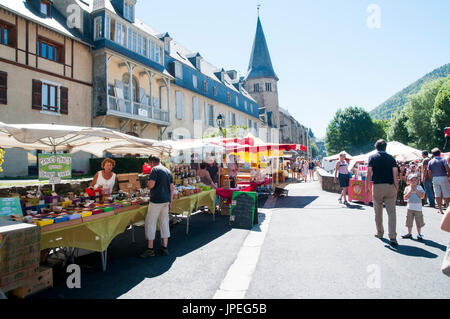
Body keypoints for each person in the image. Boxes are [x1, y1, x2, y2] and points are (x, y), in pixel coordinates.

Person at [365, 139, 399, 246]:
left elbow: (369, 173)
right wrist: (396, 187)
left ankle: (380, 233)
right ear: (385, 147)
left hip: (378, 186)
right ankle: (392, 236)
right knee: (392, 212)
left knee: (378, 211)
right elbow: (395, 174)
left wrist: (366, 186)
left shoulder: (372, 157)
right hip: (390, 186)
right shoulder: (391, 158)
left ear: (376, 147)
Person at [140, 156, 174, 258]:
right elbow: (172, 188)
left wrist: (146, 183)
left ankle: (150, 249)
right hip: (166, 201)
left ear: (151, 162)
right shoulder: (168, 171)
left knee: (150, 223)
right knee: (164, 223)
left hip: (156, 201)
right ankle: (165, 247)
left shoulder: (154, 169)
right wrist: (170, 201)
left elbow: (151, 185)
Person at [402, 174, 426, 240]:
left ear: (417, 181)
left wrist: (415, 189)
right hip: (410, 207)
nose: (413, 182)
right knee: (409, 221)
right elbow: (405, 197)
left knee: (419, 221)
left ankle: (419, 234)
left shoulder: (419, 187)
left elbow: (422, 196)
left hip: (418, 207)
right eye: (411, 180)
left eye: (415, 180)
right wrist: (410, 190)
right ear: (409, 181)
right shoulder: (407, 188)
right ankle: (409, 233)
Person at [427, 148, 450, 214]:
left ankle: (440, 209)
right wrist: (448, 175)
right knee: (446, 193)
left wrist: (431, 178)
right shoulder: (443, 160)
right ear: (439, 153)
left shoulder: (430, 161)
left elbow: (429, 172)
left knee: (437, 194)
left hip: (435, 178)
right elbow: (447, 168)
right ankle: (447, 208)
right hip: (443, 176)